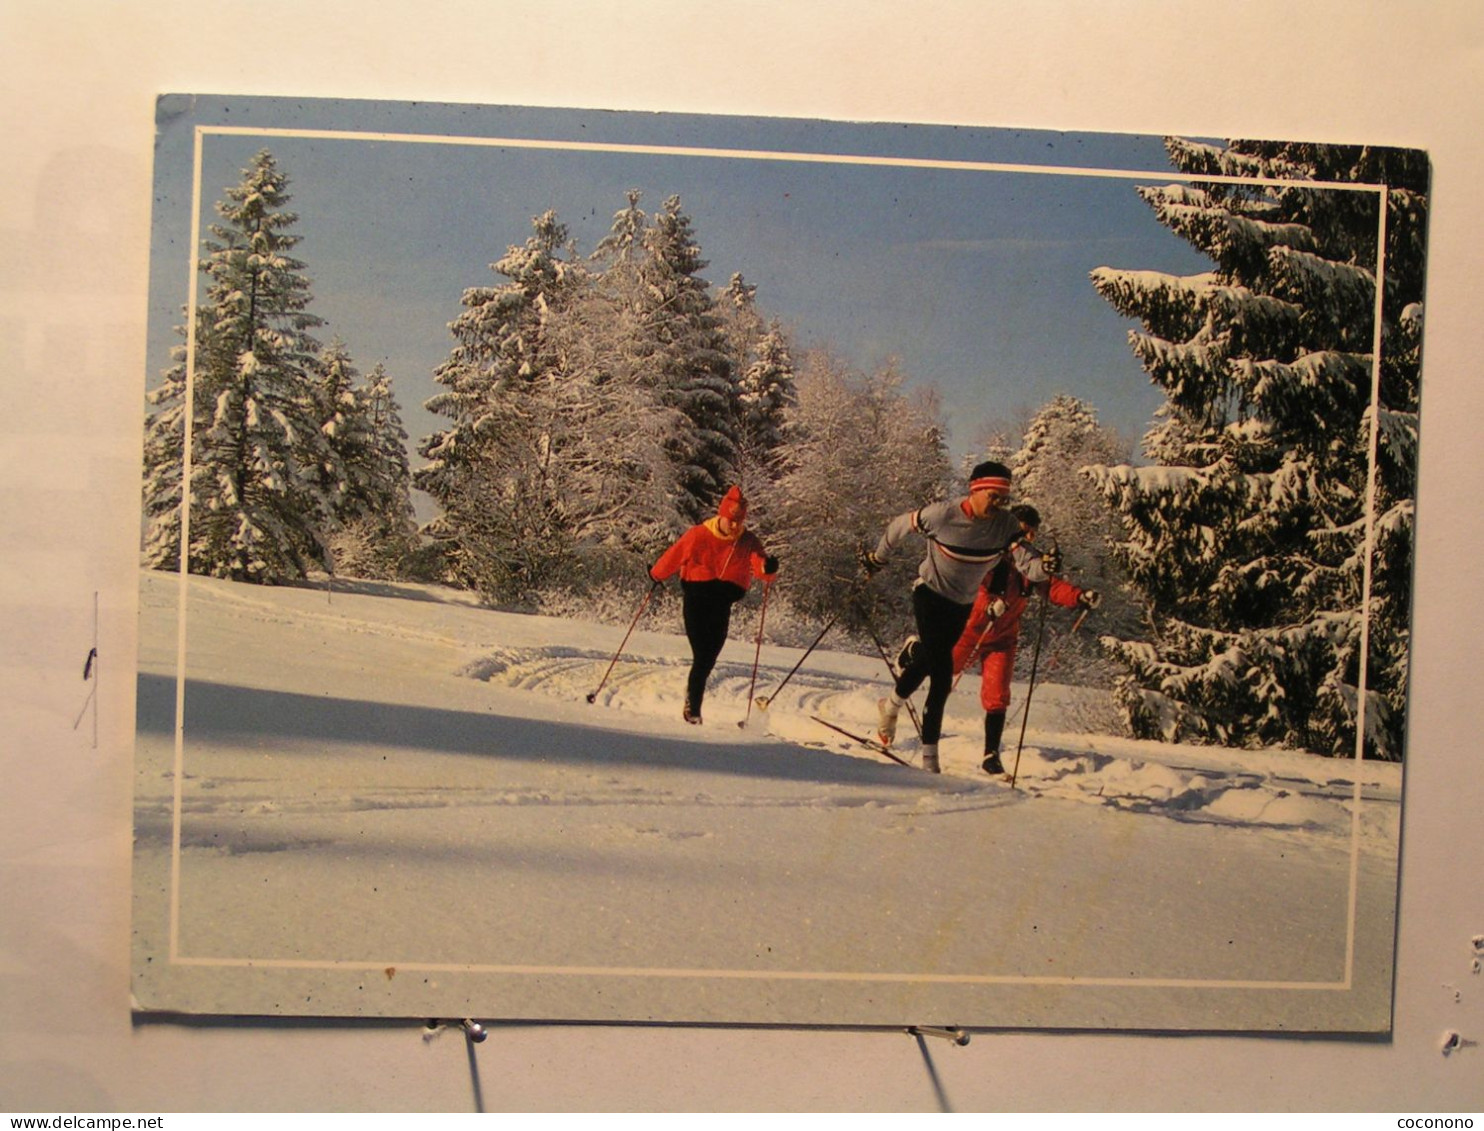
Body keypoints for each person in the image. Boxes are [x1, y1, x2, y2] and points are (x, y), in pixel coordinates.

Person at [859, 460, 1024, 772]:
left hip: (962, 604)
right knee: (942, 675)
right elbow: (899, 525)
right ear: (975, 490)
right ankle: (930, 761)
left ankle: (891, 705)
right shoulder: (943, 515)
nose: (999, 505)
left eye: (1004, 499)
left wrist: (1047, 566)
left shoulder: (1005, 525)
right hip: (929, 595)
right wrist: (878, 558)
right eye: (993, 496)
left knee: (929, 662)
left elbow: (1027, 564)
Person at [949, 503, 1100, 775]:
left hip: (1003, 636)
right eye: (1024, 531)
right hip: (970, 630)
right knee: (946, 669)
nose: (1029, 537)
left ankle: (990, 755)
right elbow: (973, 583)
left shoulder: (1032, 563)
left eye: (1033, 533)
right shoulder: (988, 550)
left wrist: (1079, 596)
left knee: (998, 695)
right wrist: (988, 605)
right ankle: (911, 667)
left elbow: (1051, 586)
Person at [650, 485, 778, 724]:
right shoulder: (698, 535)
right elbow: (674, 555)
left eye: (738, 522)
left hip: (723, 601)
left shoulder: (748, 541)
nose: (734, 526)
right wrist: (656, 574)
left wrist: (768, 568)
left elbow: (760, 564)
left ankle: (692, 704)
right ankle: (693, 708)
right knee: (703, 655)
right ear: (721, 516)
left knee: (710, 656)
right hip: (697, 597)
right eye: (731, 520)